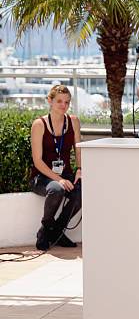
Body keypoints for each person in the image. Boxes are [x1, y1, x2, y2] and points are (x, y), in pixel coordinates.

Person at [30, 85, 82, 250]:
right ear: (50, 101)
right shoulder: (39, 124)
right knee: (56, 189)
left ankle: (56, 231)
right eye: (59, 101)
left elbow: (78, 149)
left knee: (81, 191)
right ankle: (46, 230)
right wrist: (59, 179)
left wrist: (79, 169)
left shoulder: (73, 121)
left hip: (65, 175)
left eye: (67, 102)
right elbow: (37, 161)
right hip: (41, 177)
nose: (63, 105)